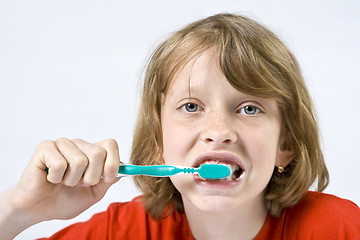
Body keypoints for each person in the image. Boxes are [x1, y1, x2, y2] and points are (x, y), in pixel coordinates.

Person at [1, 13, 359, 240]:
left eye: (249, 108)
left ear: (287, 142)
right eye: (191, 106)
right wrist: (20, 209)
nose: (219, 130)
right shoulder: (124, 232)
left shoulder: (339, 228)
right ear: (158, 140)